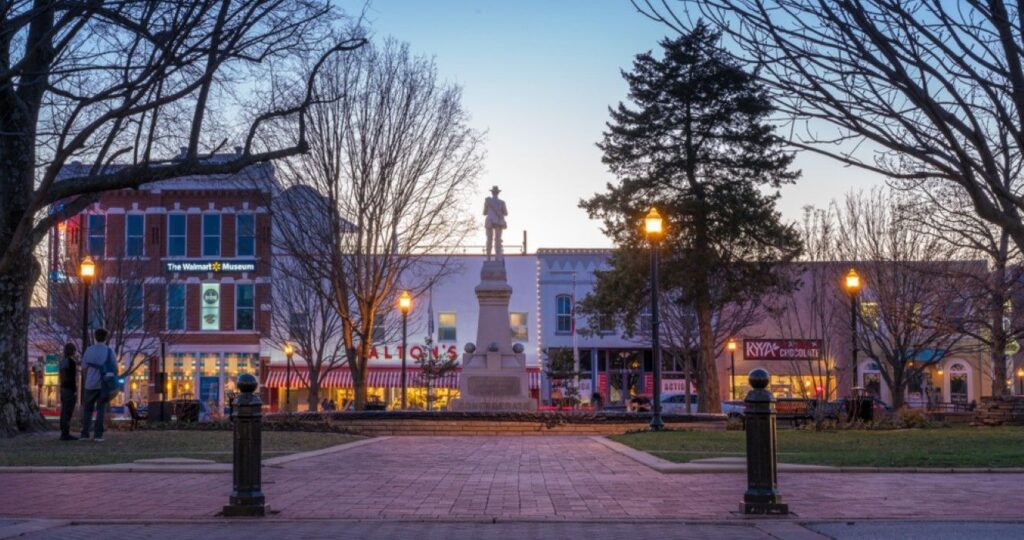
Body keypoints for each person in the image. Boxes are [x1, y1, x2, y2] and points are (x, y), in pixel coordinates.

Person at [80, 328, 116, 442]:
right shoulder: (109, 351)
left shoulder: (89, 350)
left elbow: (84, 366)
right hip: (103, 385)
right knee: (101, 410)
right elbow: (114, 367)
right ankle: (98, 435)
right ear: (105, 338)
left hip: (90, 384)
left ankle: (85, 434)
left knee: (87, 410)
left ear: (95, 337)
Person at [58, 342, 79, 441]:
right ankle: (66, 433)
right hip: (69, 389)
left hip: (63, 388)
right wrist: (74, 390)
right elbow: (72, 378)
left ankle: (63, 431)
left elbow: (63, 377)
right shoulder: (71, 362)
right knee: (68, 411)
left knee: (64, 411)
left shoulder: (62, 362)